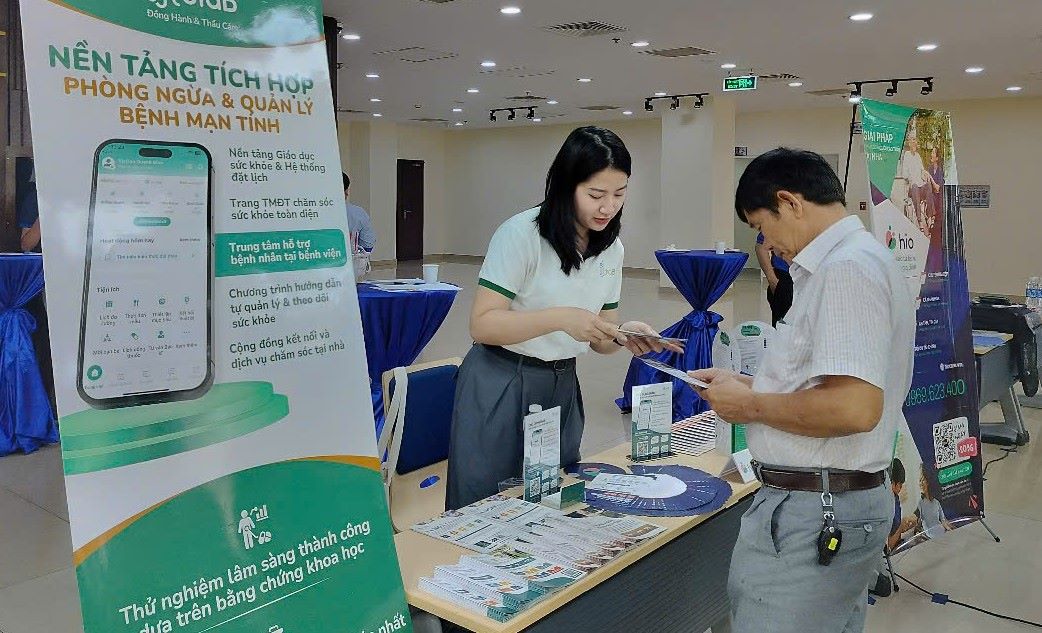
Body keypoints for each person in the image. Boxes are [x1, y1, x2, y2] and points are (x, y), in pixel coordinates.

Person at [691, 148, 915, 633]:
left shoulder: (846, 270)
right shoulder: (852, 262)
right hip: (828, 502)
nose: (766, 244)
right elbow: (824, 382)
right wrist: (752, 385)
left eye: (762, 227)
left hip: (816, 510)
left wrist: (750, 405)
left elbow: (854, 407)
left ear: (790, 202)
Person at [446, 126, 679, 510]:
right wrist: (560, 318)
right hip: (499, 379)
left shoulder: (612, 249)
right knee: (485, 502)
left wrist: (622, 333)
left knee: (553, 498)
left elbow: (600, 340)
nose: (608, 208)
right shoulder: (521, 234)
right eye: (595, 195)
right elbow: (482, 324)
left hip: (561, 383)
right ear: (566, 186)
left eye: (619, 194)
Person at [754, 232, 791, 326]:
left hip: (812, 277)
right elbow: (761, 246)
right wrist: (772, 280)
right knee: (782, 325)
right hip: (784, 276)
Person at [343, 173, 376, 253]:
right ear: (346, 192)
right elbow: (368, 245)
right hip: (349, 260)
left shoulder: (313, 213)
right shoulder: (358, 214)